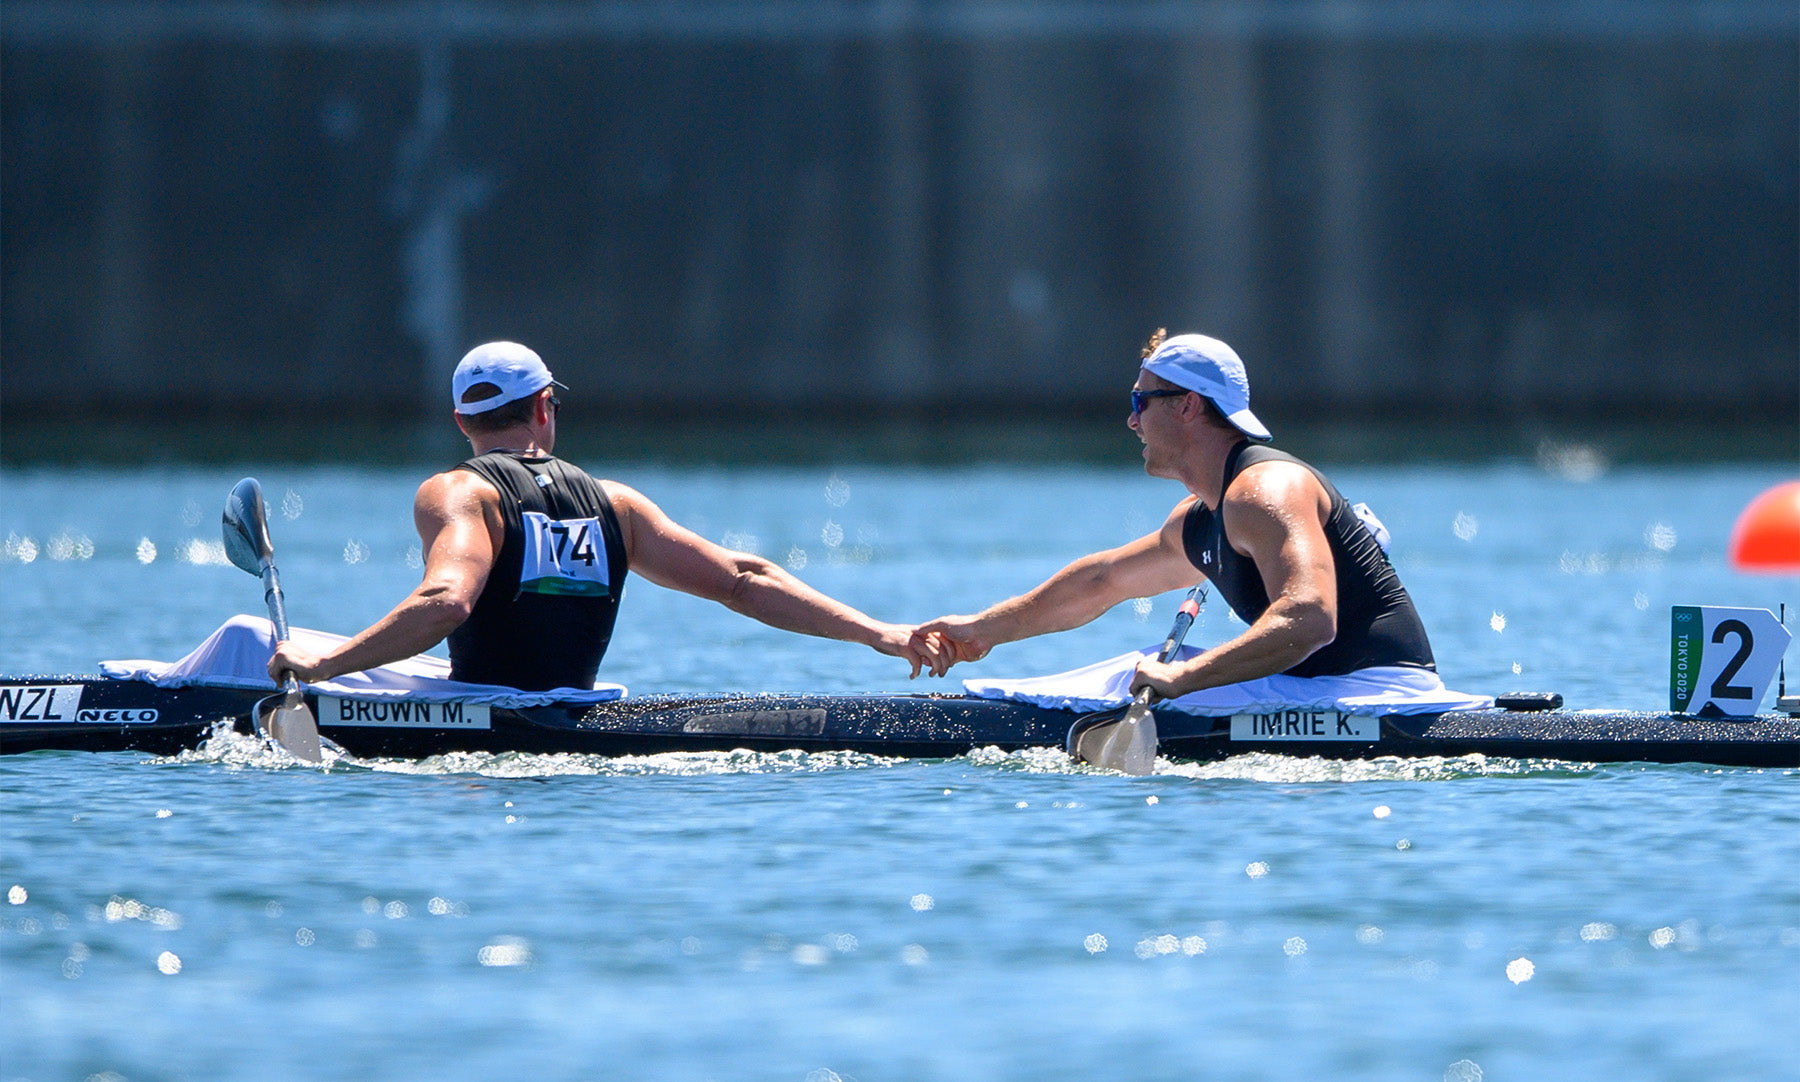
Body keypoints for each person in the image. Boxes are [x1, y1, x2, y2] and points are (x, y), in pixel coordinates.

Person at [269, 341, 945, 691]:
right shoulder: (616, 506)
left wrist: (326, 666)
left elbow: (448, 603)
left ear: (461, 421)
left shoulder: (460, 492)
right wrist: (877, 632)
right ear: (543, 408)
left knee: (251, 636)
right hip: (573, 716)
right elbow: (742, 578)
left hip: (484, 729)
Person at [911, 329, 1435, 700]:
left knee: (1142, 674)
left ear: (1186, 405)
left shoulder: (1265, 491)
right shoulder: (1202, 517)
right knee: (1135, 665)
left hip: (1376, 694)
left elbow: (1309, 618)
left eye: (1140, 401)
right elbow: (1102, 580)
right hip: (1316, 689)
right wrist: (982, 630)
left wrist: (1184, 680)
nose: (1130, 420)